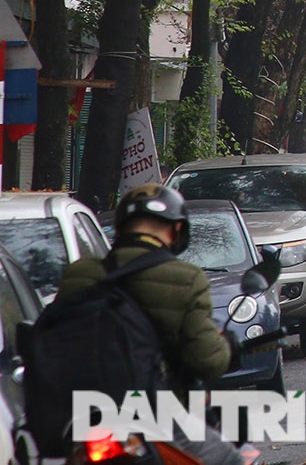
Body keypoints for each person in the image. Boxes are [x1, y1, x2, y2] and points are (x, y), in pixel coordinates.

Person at [54, 184, 242, 465]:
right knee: (229, 458)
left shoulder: (80, 273)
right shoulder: (186, 278)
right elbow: (206, 361)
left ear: (119, 228)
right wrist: (226, 343)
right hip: (151, 416)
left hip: (77, 415)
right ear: (177, 230)